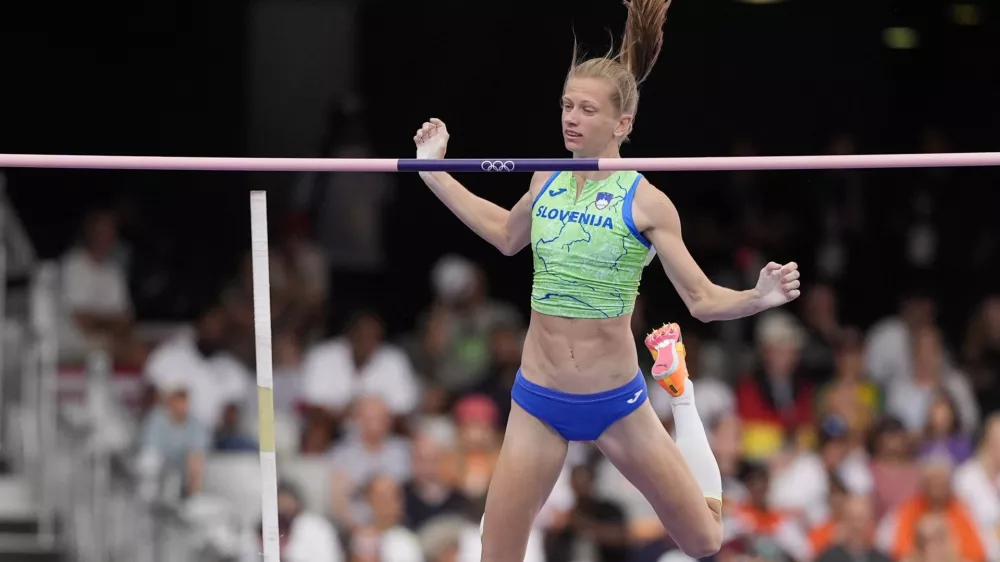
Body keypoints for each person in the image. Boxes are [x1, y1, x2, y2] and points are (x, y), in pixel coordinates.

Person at [412, 1, 801, 560]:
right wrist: (434, 172)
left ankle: (682, 399)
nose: (571, 117)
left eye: (587, 109)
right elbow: (504, 234)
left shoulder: (647, 202)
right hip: (538, 399)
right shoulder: (545, 178)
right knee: (496, 553)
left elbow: (701, 299)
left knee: (704, 541)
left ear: (622, 124)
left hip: (616, 402)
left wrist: (758, 297)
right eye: (567, 105)